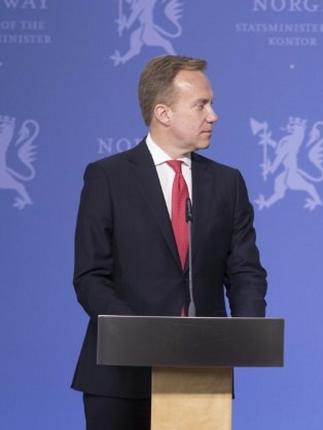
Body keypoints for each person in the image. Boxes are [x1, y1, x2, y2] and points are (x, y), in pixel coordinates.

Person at [71, 55, 268, 430]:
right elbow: (90, 277)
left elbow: (245, 270)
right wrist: (144, 337)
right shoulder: (107, 178)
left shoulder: (228, 184)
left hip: (201, 374)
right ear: (163, 113)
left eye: (211, 104)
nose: (214, 115)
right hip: (119, 379)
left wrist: (248, 330)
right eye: (201, 105)